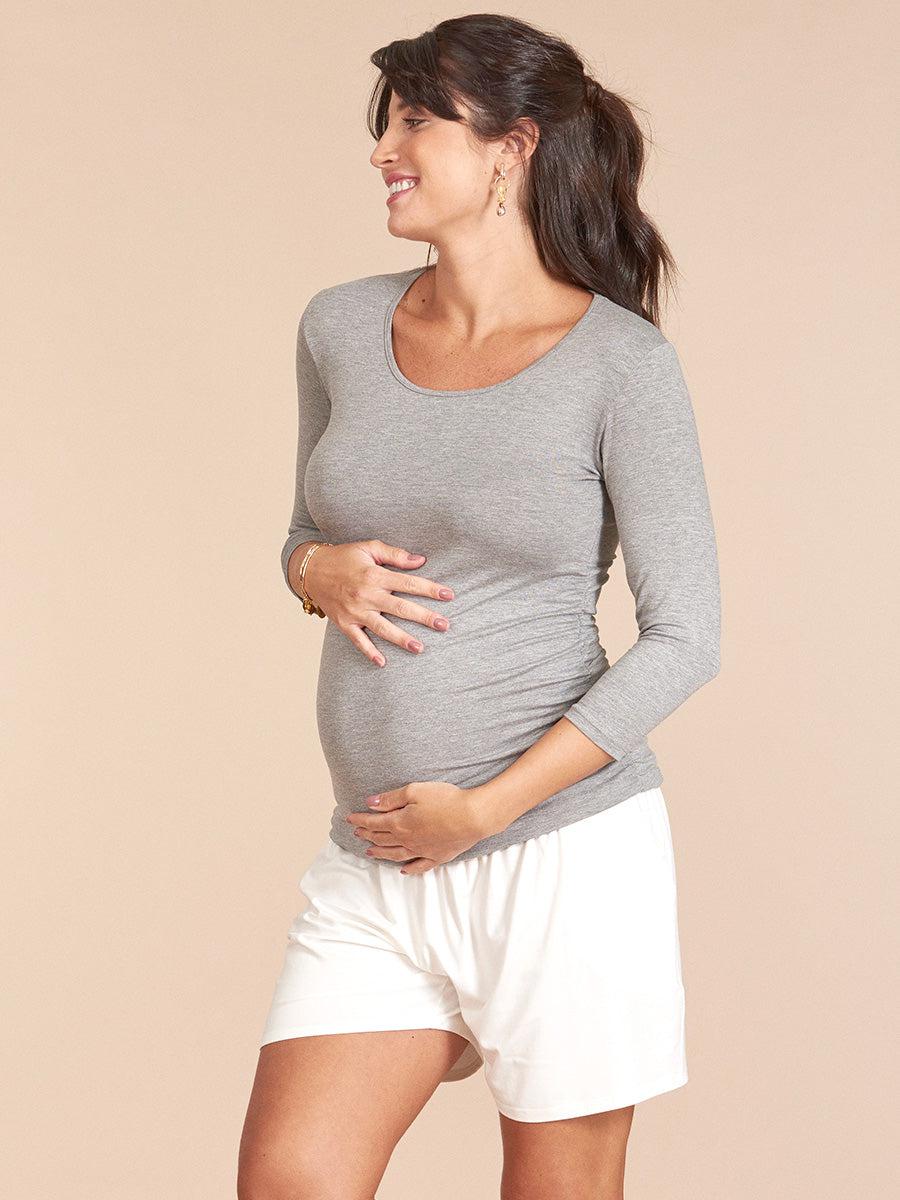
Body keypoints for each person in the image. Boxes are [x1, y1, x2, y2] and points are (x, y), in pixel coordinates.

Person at [238, 13, 720, 1200]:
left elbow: (686, 637)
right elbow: (304, 536)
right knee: (292, 1180)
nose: (382, 151)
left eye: (415, 122)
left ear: (513, 147)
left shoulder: (620, 365)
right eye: (386, 124)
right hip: (377, 856)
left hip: (561, 856)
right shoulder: (341, 326)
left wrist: (486, 811)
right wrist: (312, 572)